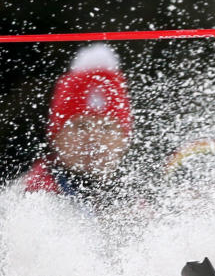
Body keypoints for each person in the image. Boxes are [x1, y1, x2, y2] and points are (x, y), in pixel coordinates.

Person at [19, 43, 133, 204]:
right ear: (56, 137)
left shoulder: (133, 196)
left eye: (107, 127)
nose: (94, 137)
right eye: (81, 126)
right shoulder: (33, 194)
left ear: (124, 141)